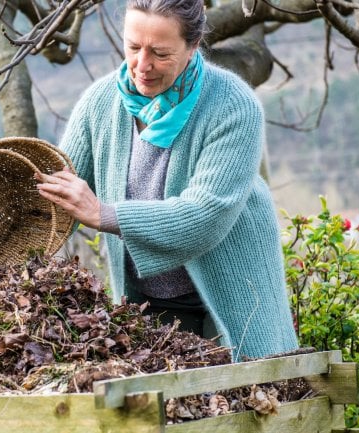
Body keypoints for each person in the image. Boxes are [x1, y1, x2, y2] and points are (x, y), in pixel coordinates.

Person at [35, 0, 298, 360]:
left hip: (232, 306)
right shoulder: (101, 104)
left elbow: (204, 217)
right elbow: (58, 196)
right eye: (133, 47)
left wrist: (104, 213)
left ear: (191, 47)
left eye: (159, 53)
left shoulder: (232, 105)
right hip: (150, 305)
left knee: (241, 404)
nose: (142, 66)